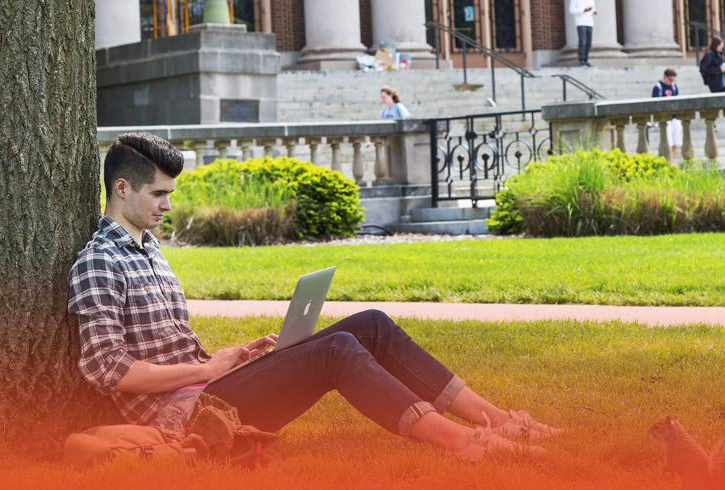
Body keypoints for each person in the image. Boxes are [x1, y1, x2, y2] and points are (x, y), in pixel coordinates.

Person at [67, 132, 563, 462]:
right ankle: (466, 445)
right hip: (187, 415)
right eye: (158, 195)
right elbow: (112, 371)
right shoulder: (98, 263)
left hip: (212, 387)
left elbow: (172, 350)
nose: (167, 206)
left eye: (170, 193)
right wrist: (207, 370)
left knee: (370, 324)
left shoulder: (149, 250)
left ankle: (502, 421)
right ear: (123, 188)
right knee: (338, 351)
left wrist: (237, 360)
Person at [652, 68, 681, 158]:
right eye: (670, 80)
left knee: (676, 140)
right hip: (665, 118)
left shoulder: (674, 87)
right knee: (668, 140)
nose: (671, 82)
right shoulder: (658, 87)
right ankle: (668, 159)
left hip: (674, 117)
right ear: (665, 76)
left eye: (673, 80)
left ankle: (671, 157)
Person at [569, 0, 596, 67]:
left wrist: (594, 12)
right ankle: (581, 60)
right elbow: (571, 10)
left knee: (588, 43)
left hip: (590, 23)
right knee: (582, 41)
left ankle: (586, 60)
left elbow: (593, 9)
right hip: (580, 22)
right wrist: (583, 10)